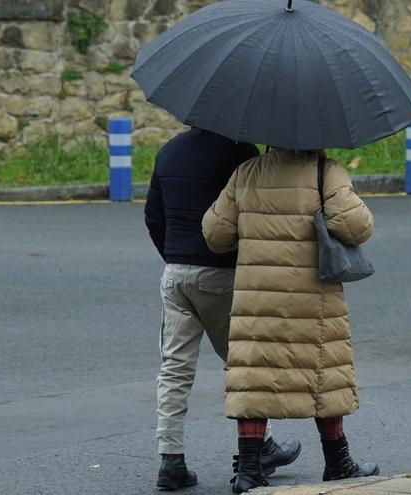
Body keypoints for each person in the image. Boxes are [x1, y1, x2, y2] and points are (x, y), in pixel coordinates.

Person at [202, 149, 379, 494]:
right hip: (312, 295)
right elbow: (355, 227)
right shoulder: (325, 171)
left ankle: (249, 471)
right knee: (323, 373)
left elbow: (215, 235)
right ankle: (338, 463)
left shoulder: (246, 173)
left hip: (257, 296)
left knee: (254, 378)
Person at [145, 128, 301, 491]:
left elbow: (154, 215)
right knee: (243, 364)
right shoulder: (241, 152)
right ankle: (259, 449)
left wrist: (174, 255)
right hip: (222, 272)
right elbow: (254, 213)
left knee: (174, 368)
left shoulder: (168, 151)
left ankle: (171, 458)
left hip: (176, 272)